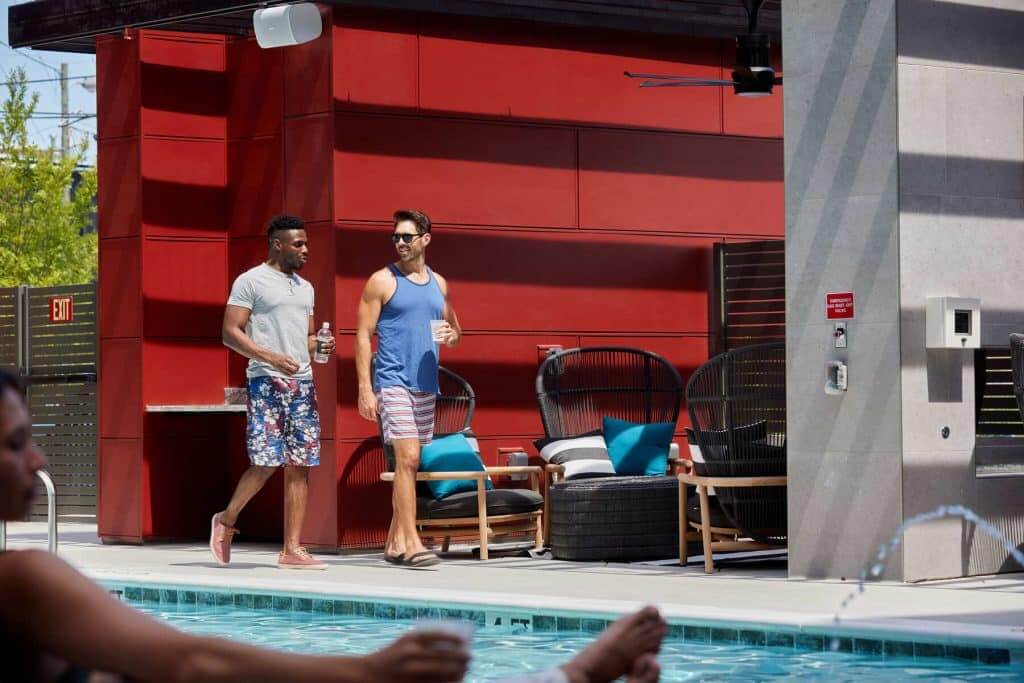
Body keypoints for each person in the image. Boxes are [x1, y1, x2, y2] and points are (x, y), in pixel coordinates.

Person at [0, 369, 665, 682]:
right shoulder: (19, 579)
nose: (39, 458)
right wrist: (370, 671)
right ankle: (568, 679)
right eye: (16, 442)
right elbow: (192, 660)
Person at [210, 214, 334, 570]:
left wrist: (319, 345)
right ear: (277, 244)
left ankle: (292, 549)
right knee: (265, 461)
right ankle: (227, 519)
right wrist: (270, 356)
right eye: (298, 244)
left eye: (306, 243)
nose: (305, 250)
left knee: (300, 465)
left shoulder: (306, 288)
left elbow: (307, 340)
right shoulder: (251, 281)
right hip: (266, 382)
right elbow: (229, 332)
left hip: (304, 385)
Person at [355, 209, 462, 568]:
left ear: (425, 239)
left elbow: (455, 330)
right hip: (392, 380)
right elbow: (362, 336)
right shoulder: (382, 281)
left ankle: (393, 544)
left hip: (425, 383)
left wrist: (452, 335)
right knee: (408, 459)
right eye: (396, 237)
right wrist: (365, 389)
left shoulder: (439, 283)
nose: (400, 243)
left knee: (409, 465)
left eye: (407, 237)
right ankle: (413, 541)